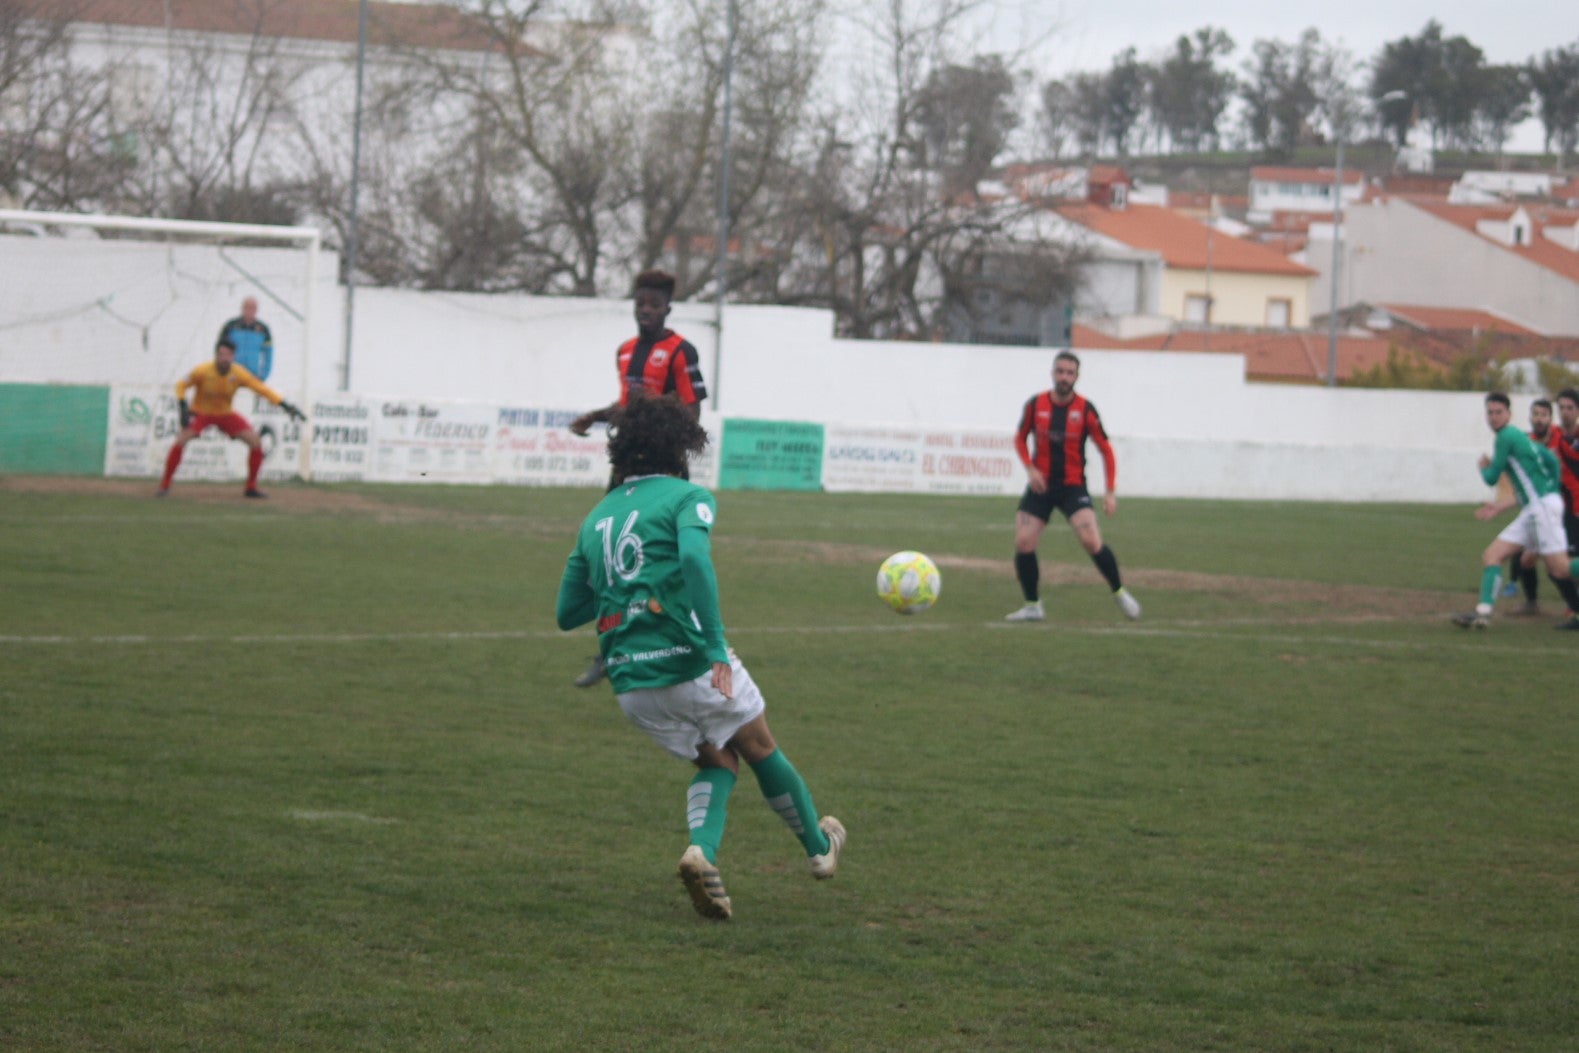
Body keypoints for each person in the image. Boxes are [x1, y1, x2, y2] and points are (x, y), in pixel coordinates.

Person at [554, 391, 845, 921]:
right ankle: (820, 851)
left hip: (630, 683)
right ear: (681, 446)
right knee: (758, 744)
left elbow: (567, 610)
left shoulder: (594, 517)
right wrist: (712, 644)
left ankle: (701, 852)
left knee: (717, 758)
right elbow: (692, 556)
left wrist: (626, 591)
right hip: (688, 659)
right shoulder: (687, 498)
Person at [567, 269, 708, 688]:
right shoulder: (626, 351)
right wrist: (595, 416)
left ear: (668, 307)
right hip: (626, 465)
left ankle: (686, 642)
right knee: (609, 556)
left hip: (665, 467)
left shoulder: (681, 351)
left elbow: (692, 412)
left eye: (654, 304)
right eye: (640, 303)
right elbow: (628, 405)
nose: (646, 310)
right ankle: (611, 651)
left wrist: (661, 434)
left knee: (664, 559)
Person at [1005, 350, 1141, 622]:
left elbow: (1106, 450)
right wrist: (1030, 469)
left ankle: (1119, 591)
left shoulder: (1085, 410)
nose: (1064, 377)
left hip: (1072, 487)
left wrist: (1110, 491)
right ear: (1053, 373)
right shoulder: (1036, 404)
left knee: (1091, 541)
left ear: (1077, 377)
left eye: (1070, 373)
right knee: (1023, 542)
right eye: (1060, 371)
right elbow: (1019, 439)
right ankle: (1033, 605)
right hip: (1041, 486)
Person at [1452, 392, 1579, 630]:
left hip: (1540, 509)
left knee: (1560, 568)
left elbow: (1491, 479)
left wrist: (1484, 467)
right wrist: (1550, 488)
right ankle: (1483, 613)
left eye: (1499, 412)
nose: (1494, 417)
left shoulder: (1506, 437)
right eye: (1490, 412)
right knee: (1492, 556)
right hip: (1535, 508)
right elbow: (1551, 461)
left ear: (1509, 414)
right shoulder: (1521, 437)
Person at [157, 337, 305, 498]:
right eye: (221, 354)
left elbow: (261, 389)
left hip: (225, 414)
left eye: (228, 355)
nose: (224, 358)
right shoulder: (203, 371)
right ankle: (165, 485)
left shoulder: (238, 373)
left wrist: (284, 405)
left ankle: (251, 487)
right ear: (216, 355)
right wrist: (182, 406)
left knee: (255, 442)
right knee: (181, 440)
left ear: (233, 356)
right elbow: (180, 385)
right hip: (202, 412)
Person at [1504, 397, 1558, 613]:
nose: (1539, 418)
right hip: (1537, 509)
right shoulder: (1525, 442)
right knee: (1524, 553)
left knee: (1559, 563)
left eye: (1543, 415)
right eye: (1535, 414)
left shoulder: (1560, 440)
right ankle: (1531, 601)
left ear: (1550, 419)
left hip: (1561, 509)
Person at [1551, 388, 1579, 630]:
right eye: (1561, 407)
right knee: (1557, 564)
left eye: (1570, 407)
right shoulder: (1553, 437)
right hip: (1563, 512)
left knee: (1563, 564)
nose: (1565, 412)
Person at [217, 296, 275, 381]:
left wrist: (262, 376)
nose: (250, 310)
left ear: (256, 310)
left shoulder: (263, 329)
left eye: (252, 308)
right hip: (232, 375)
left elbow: (268, 356)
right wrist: (222, 370)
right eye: (247, 307)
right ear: (242, 308)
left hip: (252, 376)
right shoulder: (230, 326)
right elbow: (220, 351)